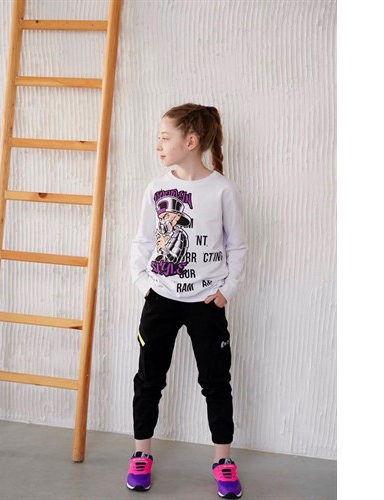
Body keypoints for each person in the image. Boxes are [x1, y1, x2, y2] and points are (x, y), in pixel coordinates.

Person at [127, 103, 248, 498]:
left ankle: (223, 460)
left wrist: (226, 291)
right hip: (160, 299)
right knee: (149, 379)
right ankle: (141, 453)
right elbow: (143, 241)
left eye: (165, 137)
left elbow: (237, 246)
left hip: (206, 304)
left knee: (216, 382)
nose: (158, 144)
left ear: (191, 141)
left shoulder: (222, 190)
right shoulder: (156, 188)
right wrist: (143, 284)